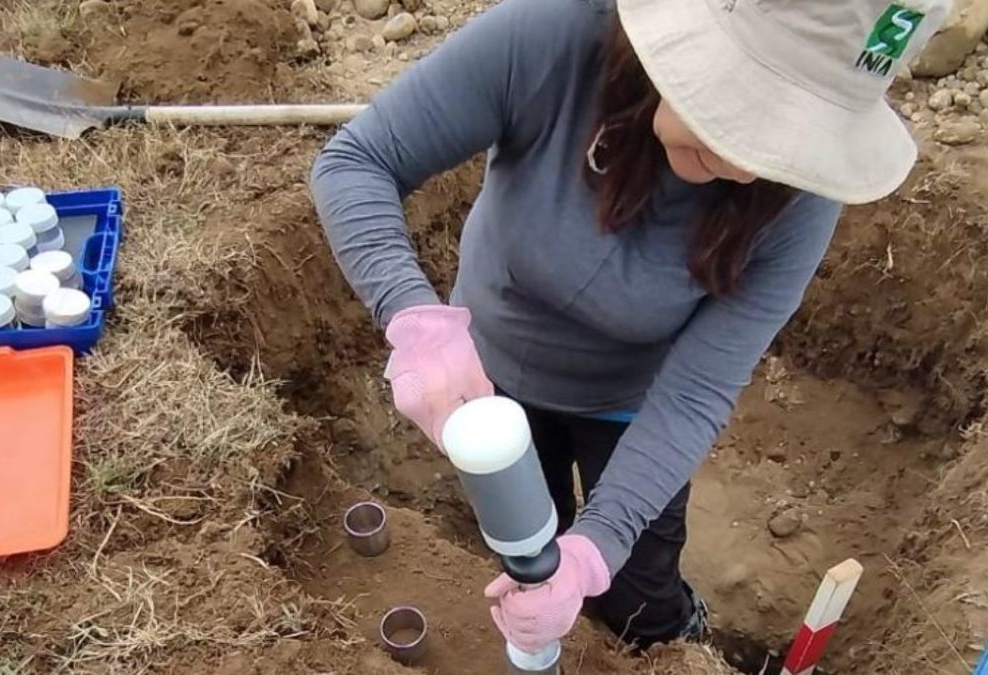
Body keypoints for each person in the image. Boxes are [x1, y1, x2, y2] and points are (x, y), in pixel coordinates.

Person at [311, 0, 949, 655]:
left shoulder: (801, 200)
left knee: (635, 590)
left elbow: (696, 392)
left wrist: (597, 548)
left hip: (628, 405)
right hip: (488, 372)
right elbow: (358, 161)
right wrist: (414, 318)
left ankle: (667, 638)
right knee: (528, 534)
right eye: (748, 113)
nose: (750, 168)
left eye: (789, 141)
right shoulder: (554, 38)